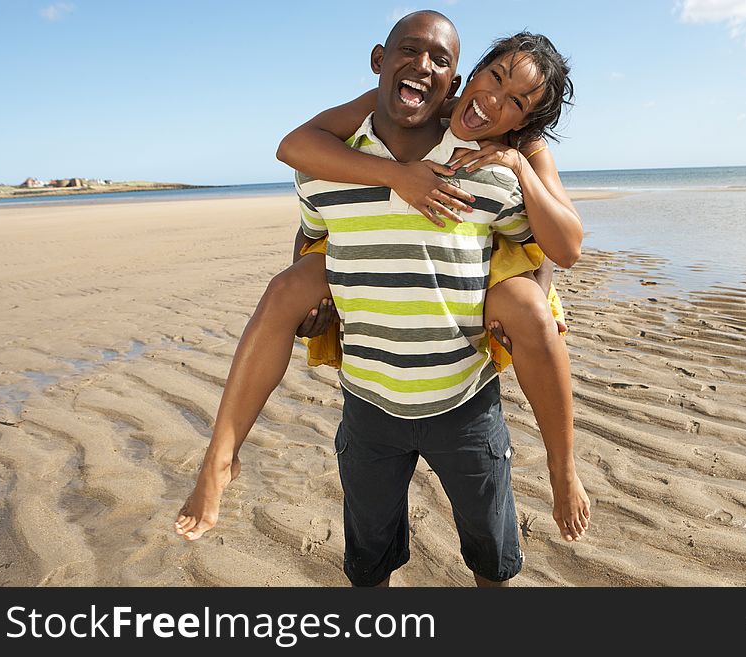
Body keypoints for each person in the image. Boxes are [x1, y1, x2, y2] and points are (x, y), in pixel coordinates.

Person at [175, 14, 590, 582]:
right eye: (493, 79)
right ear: (381, 60)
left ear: (454, 78)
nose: (494, 99)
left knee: (492, 560)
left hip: (464, 401)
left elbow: (552, 247)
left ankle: (563, 468)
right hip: (370, 402)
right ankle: (220, 459)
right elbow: (307, 215)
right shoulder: (329, 163)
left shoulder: (501, 163)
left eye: (516, 100)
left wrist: (534, 287)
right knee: (368, 563)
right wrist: (319, 300)